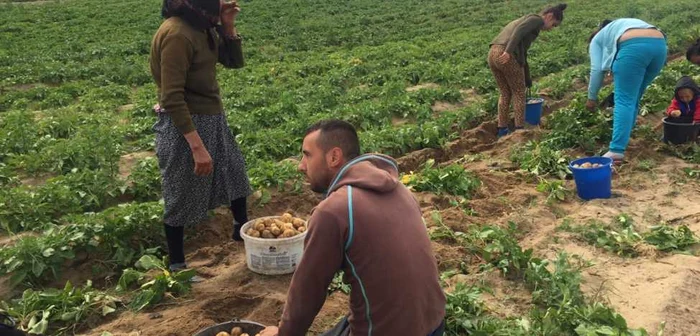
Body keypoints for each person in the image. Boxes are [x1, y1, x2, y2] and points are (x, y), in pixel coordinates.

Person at [259, 120, 446, 336]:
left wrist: (282, 334)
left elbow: (308, 290)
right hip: (434, 324)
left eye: (307, 155)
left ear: (334, 157)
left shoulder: (334, 210)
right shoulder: (400, 189)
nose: (301, 165)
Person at [150, 0, 252, 273]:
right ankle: (177, 265)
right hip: (186, 123)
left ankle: (241, 232)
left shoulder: (204, 27)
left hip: (212, 117)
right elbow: (171, 98)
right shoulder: (177, 35)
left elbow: (233, 61)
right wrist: (197, 147)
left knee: (234, 173)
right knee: (181, 191)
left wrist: (228, 26)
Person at [585, 19, 668, 162]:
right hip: (660, 45)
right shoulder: (618, 27)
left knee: (624, 100)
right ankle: (628, 131)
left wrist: (592, 98)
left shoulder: (596, 41)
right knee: (634, 95)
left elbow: (597, 70)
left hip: (633, 47)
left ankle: (616, 149)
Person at [488, 3, 568, 137]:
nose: (551, 28)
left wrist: (527, 77)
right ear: (549, 16)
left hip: (493, 53)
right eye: (554, 25)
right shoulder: (536, 19)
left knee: (505, 93)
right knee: (519, 92)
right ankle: (519, 130)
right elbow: (518, 31)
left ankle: (502, 129)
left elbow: (523, 53)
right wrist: (508, 52)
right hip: (506, 53)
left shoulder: (527, 19)